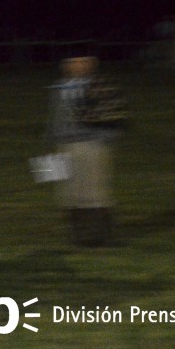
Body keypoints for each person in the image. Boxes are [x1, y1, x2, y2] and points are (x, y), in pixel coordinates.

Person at [47, 56, 126, 247]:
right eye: (73, 61)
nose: (77, 66)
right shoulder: (59, 88)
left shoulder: (101, 87)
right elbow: (54, 119)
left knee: (96, 192)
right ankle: (77, 236)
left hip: (93, 145)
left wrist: (107, 140)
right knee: (68, 193)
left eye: (83, 61)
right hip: (64, 145)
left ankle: (101, 237)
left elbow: (115, 117)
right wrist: (52, 147)